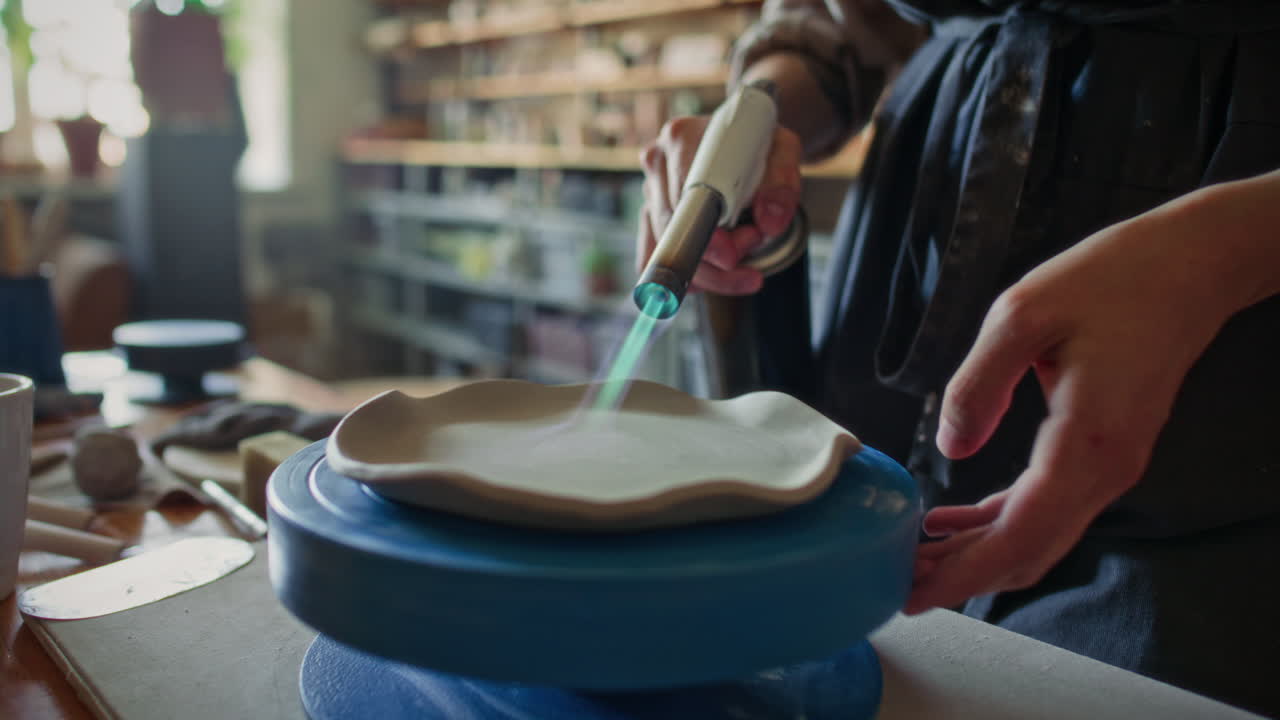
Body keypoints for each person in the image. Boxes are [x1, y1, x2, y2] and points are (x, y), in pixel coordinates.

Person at [636, 1, 1280, 715]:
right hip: (924, 205)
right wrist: (759, 116)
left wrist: (1231, 248)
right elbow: (840, 26)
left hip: (1228, 279)